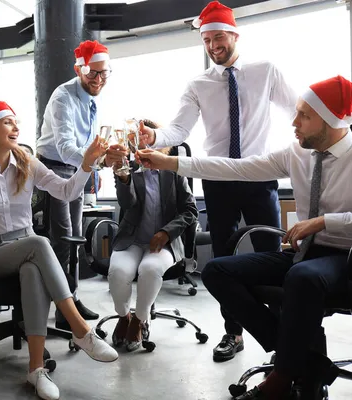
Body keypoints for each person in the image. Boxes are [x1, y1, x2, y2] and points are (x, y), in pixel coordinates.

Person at [136, 76, 352, 399]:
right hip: (306, 255)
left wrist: (323, 222)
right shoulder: (297, 153)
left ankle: (281, 379)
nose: (294, 123)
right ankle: (303, 362)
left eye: (304, 116)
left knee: (301, 276)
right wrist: (169, 162)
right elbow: (236, 168)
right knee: (216, 271)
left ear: (331, 121)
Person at [136, 0, 298, 362]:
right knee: (223, 258)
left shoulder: (266, 71)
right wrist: (153, 138)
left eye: (219, 37)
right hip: (216, 179)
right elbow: (178, 129)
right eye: (207, 40)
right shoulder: (198, 83)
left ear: (235, 34)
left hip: (259, 175)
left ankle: (283, 330)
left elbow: (296, 112)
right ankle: (233, 333)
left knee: (270, 254)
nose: (213, 46)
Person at [0, 101, 118, 400]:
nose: (16, 128)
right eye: (8, 122)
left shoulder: (26, 161)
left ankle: (36, 369)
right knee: (40, 243)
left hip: (25, 247)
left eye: (16, 122)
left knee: (31, 268)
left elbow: (65, 191)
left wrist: (87, 164)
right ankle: (80, 329)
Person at [36, 40, 112, 329]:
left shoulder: (93, 96)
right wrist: (90, 162)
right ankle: (61, 308)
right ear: (78, 69)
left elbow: (88, 145)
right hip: (54, 168)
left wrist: (95, 165)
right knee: (63, 238)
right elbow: (67, 147)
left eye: (104, 73)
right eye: (93, 73)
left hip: (78, 168)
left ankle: (72, 298)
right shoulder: (63, 97)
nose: (99, 80)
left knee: (76, 237)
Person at [108, 120, 198, 352]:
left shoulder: (174, 174)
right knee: (119, 272)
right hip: (132, 240)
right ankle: (124, 316)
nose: (145, 146)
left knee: (149, 269)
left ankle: (139, 320)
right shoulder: (128, 172)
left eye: (150, 140)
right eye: (139, 142)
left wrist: (166, 232)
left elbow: (191, 210)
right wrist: (124, 179)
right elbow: (127, 204)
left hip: (163, 244)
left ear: (162, 146)